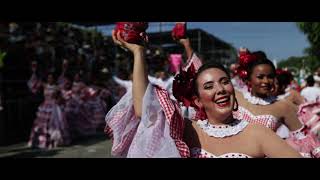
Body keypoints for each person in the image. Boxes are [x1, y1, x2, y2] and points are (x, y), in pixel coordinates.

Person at [104, 29, 301, 158]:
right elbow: (144, 110)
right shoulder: (188, 130)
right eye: (209, 86)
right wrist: (138, 54)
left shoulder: (258, 133)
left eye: (225, 82)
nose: (220, 89)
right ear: (197, 101)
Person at [232, 48, 320, 158]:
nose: (266, 81)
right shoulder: (236, 96)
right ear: (249, 79)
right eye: (260, 77)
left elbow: (304, 139)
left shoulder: (282, 106)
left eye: (270, 77)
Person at [28, 72, 71, 149]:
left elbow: (63, 95)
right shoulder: (44, 85)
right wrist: (34, 72)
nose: (50, 79)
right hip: (44, 106)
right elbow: (34, 86)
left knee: (53, 124)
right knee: (43, 124)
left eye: (51, 78)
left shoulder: (57, 87)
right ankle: (42, 141)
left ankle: (53, 141)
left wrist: (59, 100)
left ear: (54, 79)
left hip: (53, 107)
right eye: (48, 78)